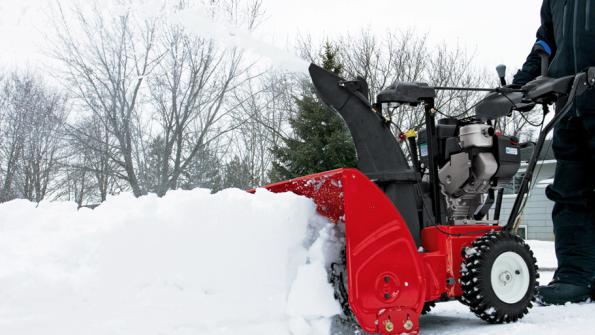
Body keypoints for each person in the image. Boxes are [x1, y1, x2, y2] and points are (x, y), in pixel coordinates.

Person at [512, 0, 595, 305]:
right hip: (570, 102)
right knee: (569, 194)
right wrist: (522, 84)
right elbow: (545, 41)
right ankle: (576, 277)